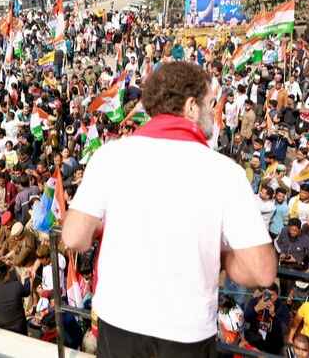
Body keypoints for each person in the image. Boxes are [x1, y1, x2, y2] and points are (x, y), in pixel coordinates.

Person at [63, 62, 275, 357]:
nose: (214, 113)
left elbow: (73, 238)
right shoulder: (225, 172)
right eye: (210, 104)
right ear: (191, 106)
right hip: (186, 333)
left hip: (119, 320)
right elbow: (263, 272)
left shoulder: (110, 155)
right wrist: (222, 255)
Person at [0, 261, 32, 336]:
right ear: (7, 274)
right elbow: (27, 292)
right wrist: (27, 278)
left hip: (4, 328)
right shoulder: (16, 285)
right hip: (20, 327)